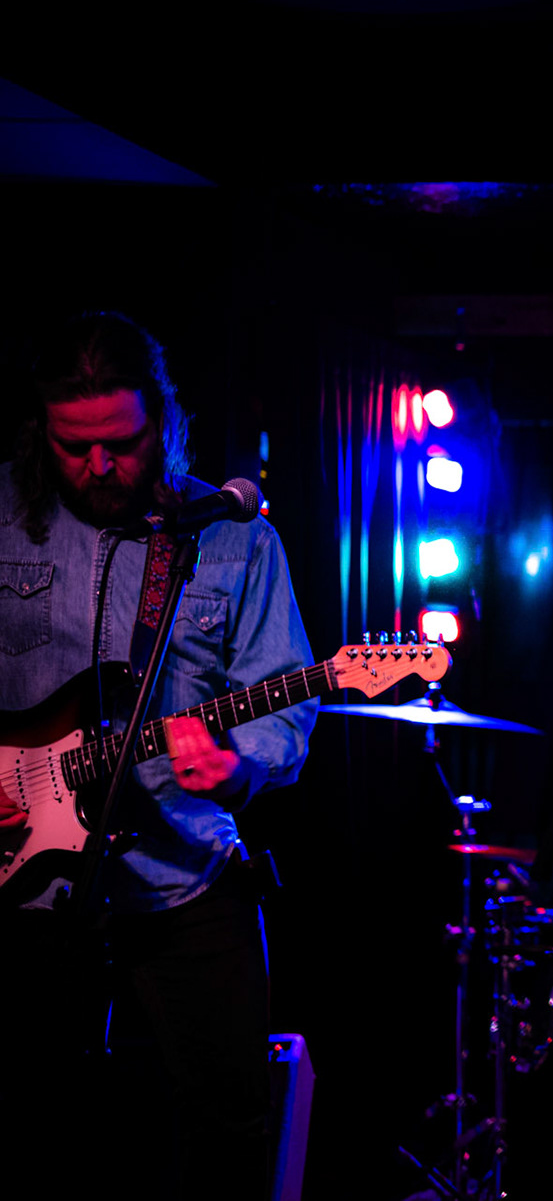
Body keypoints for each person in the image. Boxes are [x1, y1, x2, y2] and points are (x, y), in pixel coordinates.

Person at [0, 311, 317, 1201]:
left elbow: (283, 703)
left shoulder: (238, 540)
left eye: (123, 442)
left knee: (229, 1131)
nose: (100, 465)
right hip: (24, 887)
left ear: (165, 422)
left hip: (183, 877)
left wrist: (237, 767)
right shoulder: (2, 517)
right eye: (73, 445)